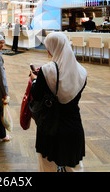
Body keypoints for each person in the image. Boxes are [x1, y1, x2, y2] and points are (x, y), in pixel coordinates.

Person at [30, 32, 87, 172]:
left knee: (47, 166)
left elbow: (36, 95)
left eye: (48, 47)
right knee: (74, 166)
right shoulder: (82, 71)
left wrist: (35, 79)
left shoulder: (47, 70)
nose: (48, 50)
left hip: (50, 126)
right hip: (73, 125)